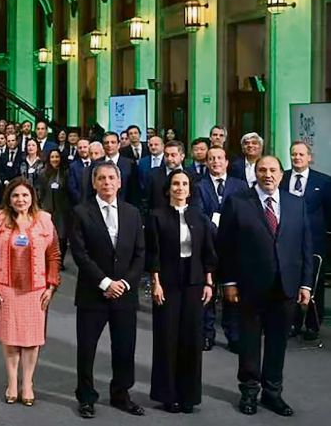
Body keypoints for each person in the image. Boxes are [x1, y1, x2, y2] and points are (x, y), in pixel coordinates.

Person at [217, 156, 313, 417]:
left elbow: (305, 247)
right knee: (249, 343)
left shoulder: (296, 204)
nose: (267, 174)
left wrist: (306, 283)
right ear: (255, 174)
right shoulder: (237, 203)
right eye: (262, 170)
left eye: (272, 170)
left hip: (286, 287)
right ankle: (249, 392)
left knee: (277, 343)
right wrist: (228, 282)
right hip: (249, 287)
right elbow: (225, 247)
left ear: (282, 175)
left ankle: (273, 393)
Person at [70, 161, 146, 419]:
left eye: (111, 178)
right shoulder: (81, 212)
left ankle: (121, 394)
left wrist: (124, 283)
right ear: (93, 183)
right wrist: (105, 283)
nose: (107, 183)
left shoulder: (132, 212)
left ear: (119, 181)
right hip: (93, 293)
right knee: (87, 348)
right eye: (101, 178)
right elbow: (80, 254)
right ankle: (86, 397)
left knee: (124, 347)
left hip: (125, 293)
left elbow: (140, 253)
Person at [0, 177, 60, 406]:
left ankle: (27, 383)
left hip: (35, 291)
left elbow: (54, 255)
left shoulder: (45, 221)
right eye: (16, 195)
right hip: (6, 289)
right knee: (10, 340)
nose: (20, 200)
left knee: (30, 341)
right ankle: (12, 383)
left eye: (25, 195)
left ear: (32, 198)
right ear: (9, 197)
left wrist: (51, 285)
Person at [145, 171, 216, 413]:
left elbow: (207, 251)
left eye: (184, 184)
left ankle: (189, 396)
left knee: (192, 339)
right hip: (167, 281)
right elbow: (152, 252)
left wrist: (208, 282)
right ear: (168, 189)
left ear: (190, 189)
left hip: (195, 281)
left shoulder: (199, 216)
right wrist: (155, 281)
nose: (180, 188)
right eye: (176, 184)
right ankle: (168, 395)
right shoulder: (156, 216)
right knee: (167, 338)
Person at [195, 146, 247, 352]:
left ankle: (234, 335)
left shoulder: (241, 186)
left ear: (226, 162)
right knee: (207, 292)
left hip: (233, 248)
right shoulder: (199, 186)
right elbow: (199, 215)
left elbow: (244, 214)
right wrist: (216, 229)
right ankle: (206, 334)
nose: (215, 162)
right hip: (207, 246)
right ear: (207, 163)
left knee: (231, 292)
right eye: (211, 159)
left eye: (219, 158)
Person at [280, 141, 331, 340]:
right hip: (287, 239)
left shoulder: (324, 182)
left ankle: (312, 325)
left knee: (313, 283)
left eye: (301, 154)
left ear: (309, 157)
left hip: (315, 240)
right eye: (294, 154)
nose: (297, 158)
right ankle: (292, 323)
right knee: (290, 281)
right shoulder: (282, 178)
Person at [36, 149, 71, 268]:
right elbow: (40, 191)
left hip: (63, 210)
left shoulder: (66, 173)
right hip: (47, 209)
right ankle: (47, 259)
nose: (55, 159)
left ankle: (59, 261)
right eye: (52, 157)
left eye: (57, 157)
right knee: (47, 236)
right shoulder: (43, 173)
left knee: (61, 237)